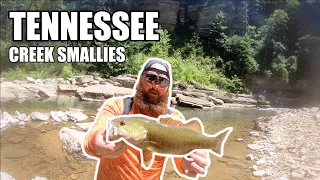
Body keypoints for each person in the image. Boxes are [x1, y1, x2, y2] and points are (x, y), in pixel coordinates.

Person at [82, 58, 211, 180]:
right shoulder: (117, 107)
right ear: (140, 79)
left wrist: (189, 165)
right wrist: (97, 142)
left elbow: (181, 156)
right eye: (150, 78)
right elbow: (90, 141)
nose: (155, 85)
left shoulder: (174, 118)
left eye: (163, 81)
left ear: (167, 88)